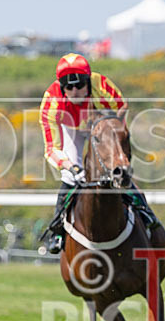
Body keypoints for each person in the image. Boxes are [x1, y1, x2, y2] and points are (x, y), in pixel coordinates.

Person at [39, 52, 155, 253]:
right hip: (71, 130)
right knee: (71, 176)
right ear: (61, 86)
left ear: (89, 82)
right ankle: (57, 229)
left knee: (118, 167)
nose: (75, 91)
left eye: (80, 85)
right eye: (68, 86)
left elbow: (121, 108)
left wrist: (113, 141)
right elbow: (51, 149)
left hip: (100, 124)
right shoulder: (51, 103)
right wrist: (72, 166)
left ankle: (144, 210)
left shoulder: (101, 84)